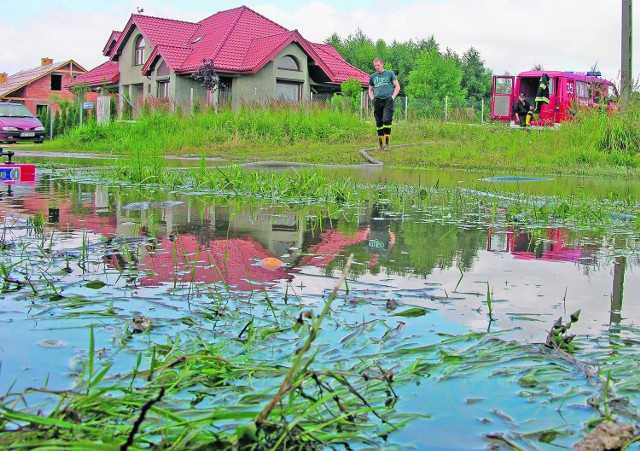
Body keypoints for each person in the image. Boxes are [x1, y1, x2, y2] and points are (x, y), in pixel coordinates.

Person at [368, 58, 401, 150]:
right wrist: (372, 99)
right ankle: (381, 146)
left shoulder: (390, 73)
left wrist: (392, 97)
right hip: (377, 101)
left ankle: (387, 145)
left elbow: (397, 86)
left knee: (386, 120)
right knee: (378, 122)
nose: (376, 67)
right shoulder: (373, 76)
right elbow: (370, 90)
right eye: (375, 65)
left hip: (387, 100)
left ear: (382, 64)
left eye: (378, 65)